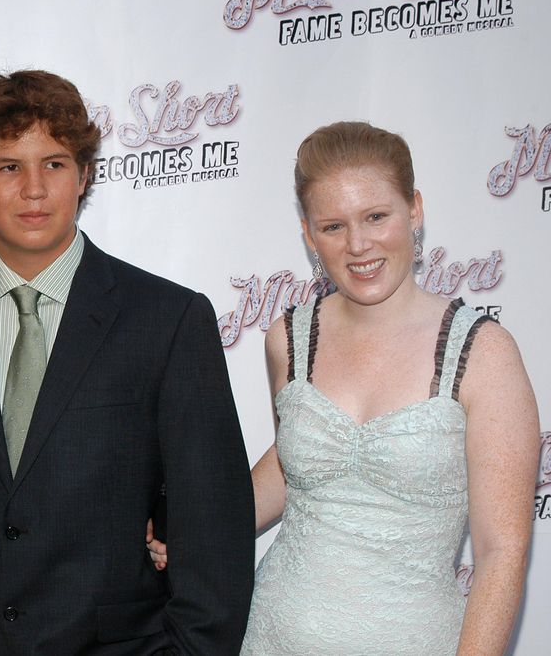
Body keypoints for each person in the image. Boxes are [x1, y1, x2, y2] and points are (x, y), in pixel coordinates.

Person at [148, 121, 539, 654]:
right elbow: (298, 468)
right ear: (309, 234)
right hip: (272, 635)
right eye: (332, 226)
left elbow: (501, 555)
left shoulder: (484, 352)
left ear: (415, 209)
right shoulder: (289, 336)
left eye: (376, 216)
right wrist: (195, 527)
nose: (359, 245)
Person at [0, 69, 254, 655]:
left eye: (54, 164)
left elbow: (214, 536)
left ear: (84, 175)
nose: (34, 189)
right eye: (9, 166)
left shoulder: (168, 319)